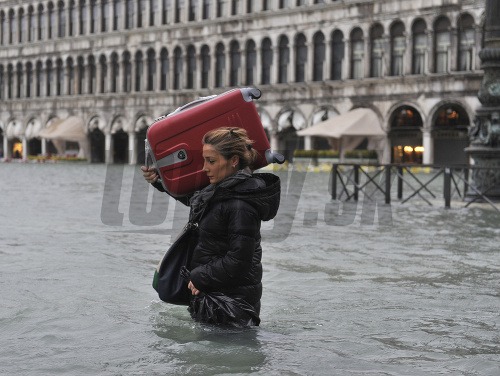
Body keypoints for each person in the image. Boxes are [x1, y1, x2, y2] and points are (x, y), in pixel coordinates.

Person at [141, 127, 281, 326]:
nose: (205, 168)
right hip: (215, 297)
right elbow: (197, 202)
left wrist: (199, 276)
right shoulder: (221, 190)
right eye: (205, 160)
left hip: (232, 306)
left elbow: (239, 260)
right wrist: (160, 182)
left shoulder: (241, 204)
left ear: (233, 161)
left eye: (211, 161)